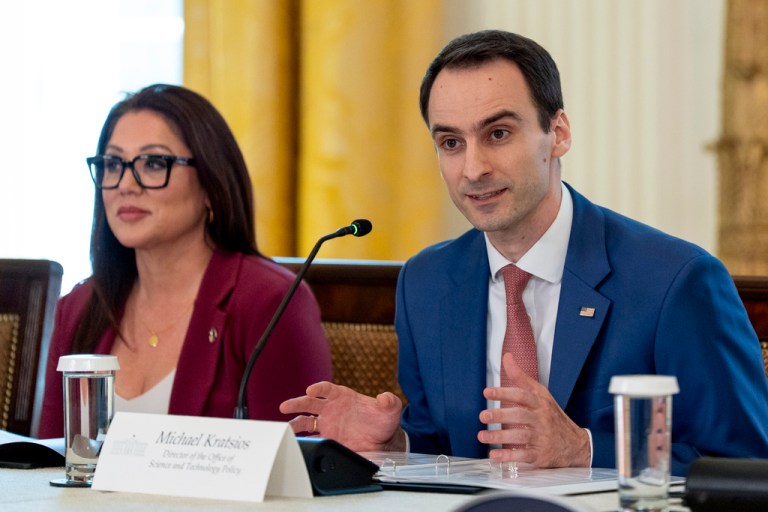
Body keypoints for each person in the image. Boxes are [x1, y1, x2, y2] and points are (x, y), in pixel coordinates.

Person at [280, 30, 768, 476]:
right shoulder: (427, 282)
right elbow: (443, 449)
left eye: (497, 134)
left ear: (558, 134)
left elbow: (747, 463)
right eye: (451, 142)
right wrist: (395, 442)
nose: (473, 168)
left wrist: (586, 449)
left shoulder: (676, 281)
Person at [38, 84, 332, 438]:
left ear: (211, 183)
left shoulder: (270, 302)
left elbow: (297, 466)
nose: (125, 185)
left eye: (153, 163)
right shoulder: (80, 307)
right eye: (113, 164)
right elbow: (47, 467)